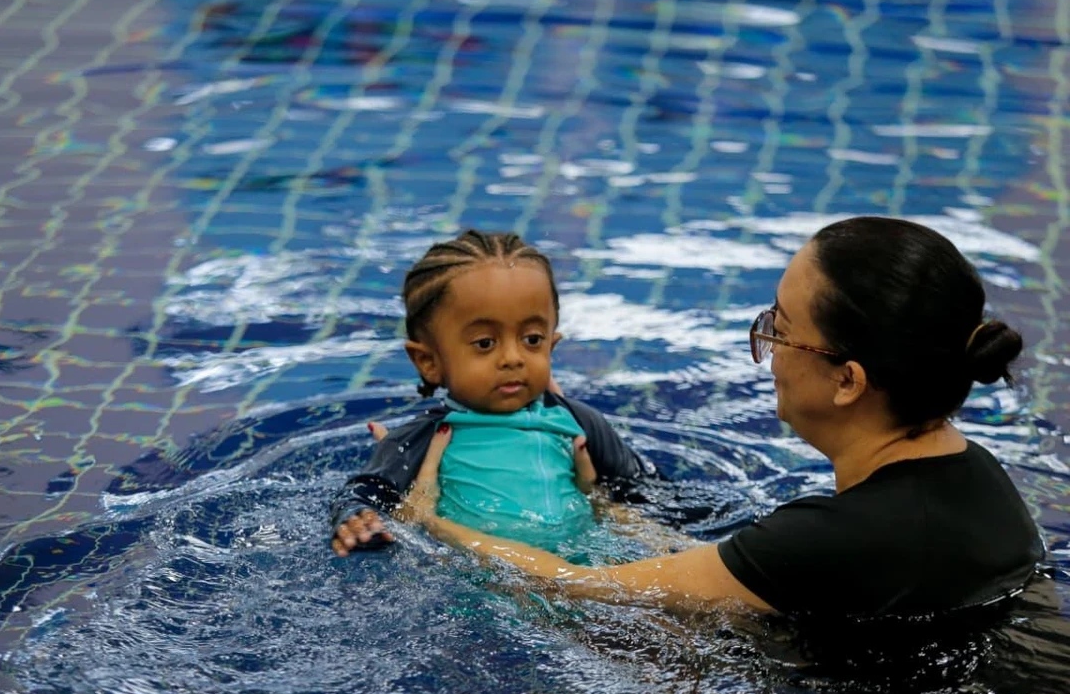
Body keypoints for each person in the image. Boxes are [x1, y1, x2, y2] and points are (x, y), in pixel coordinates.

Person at [391, 217, 1045, 618]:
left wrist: (429, 524)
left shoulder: (829, 539)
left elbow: (568, 584)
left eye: (779, 330)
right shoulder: (979, 475)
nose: (766, 351)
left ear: (849, 381)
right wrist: (608, 512)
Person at [329, 230, 653, 557]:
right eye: (485, 343)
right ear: (429, 362)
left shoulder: (578, 423)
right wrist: (359, 520)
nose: (513, 358)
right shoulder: (427, 438)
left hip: (588, 566)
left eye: (532, 340)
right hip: (482, 575)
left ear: (552, 345)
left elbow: (648, 489)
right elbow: (366, 492)